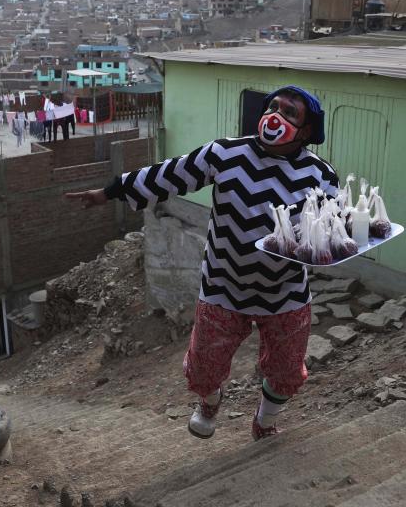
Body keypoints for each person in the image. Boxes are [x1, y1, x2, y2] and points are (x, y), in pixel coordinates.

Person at [66, 85, 337, 441]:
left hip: (285, 292)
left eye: (289, 113)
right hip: (223, 286)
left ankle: (265, 422)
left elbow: (331, 227)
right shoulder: (225, 153)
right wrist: (109, 192)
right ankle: (210, 402)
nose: (276, 116)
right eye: (274, 106)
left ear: (305, 131)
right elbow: (168, 175)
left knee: (287, 370)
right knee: (202, 368)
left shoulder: (320, 175)